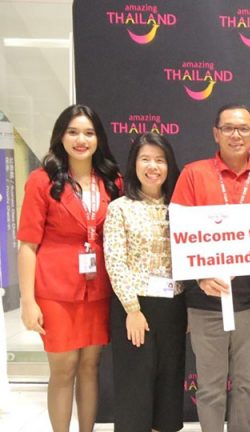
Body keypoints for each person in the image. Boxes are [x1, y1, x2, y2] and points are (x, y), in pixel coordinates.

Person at [171, 103, 250, 432]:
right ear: (216, 133)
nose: (236, 135)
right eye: (229, 128)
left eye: (244, 129)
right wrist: (200, 276)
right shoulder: (193, 174)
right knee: (210, 387)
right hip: (205, 299)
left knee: (247, 383)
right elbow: (176, 232)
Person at [17, 104, 121, 432]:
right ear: (61, 136)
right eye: (73, 132)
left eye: (89, 133)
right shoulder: (42, 180)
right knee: (63, 370)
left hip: (98, 290)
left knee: (91, 367)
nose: (81, 140)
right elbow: (28, 245)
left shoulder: (112, 180)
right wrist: (28, 301)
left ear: (98, 138)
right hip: (55, 291)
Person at [103, 132, 185, 431]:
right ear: (134, 164)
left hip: (173, 306)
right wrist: (132, 309)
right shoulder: (120, 208)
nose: (153, 167)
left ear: (169, 165)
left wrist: (188, 307)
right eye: (145, 159)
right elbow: (115, 261)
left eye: (160, 160)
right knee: (134, 384)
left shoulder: (181, 208)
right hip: (135, 308)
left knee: (169, 382)